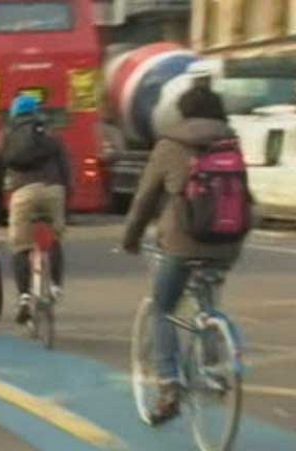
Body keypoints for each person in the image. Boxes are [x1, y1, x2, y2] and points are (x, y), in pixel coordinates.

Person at [122, 86, 245, 425]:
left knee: (163, 307)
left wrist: (131, 238)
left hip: (182, 244)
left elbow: (145, 199)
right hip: (226, 243)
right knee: (208, 304)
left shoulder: (170, 145)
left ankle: (169, 386)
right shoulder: (231, 142)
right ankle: (215, 367)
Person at [0, 96, 71, 323]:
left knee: (20, 246)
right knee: (54, 239)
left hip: (23, 193)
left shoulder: (7, 135)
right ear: (36, 112)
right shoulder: (50, 133)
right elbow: (66, 169)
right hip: (53, 190)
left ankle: (25, 297)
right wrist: (67, 202)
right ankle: (55, 287)